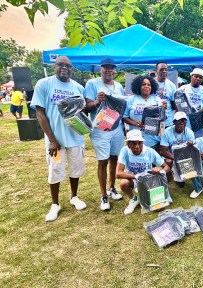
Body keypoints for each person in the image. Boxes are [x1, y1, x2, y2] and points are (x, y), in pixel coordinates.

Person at [31, 56, 87, 222]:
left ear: (72, 69)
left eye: (68, 66)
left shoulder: (78, 87)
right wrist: (52, 140)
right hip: (55, 140)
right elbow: (40, 113)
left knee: (75, 169)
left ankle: (74, 197)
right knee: (55, 171)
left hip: (75, 137)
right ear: (54, 66)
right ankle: (55, 204)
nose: (65, 68)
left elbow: (81, 112)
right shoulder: (44, 84)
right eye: (61, 65)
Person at [84, 58, 125, 211]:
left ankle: (112, 188)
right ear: (100, 69)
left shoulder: (119, 86)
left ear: (114, 70)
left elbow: (121, 107)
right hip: (100, 129)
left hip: (116, 128)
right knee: (102, 161)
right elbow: (86, 107)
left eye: (111, 68)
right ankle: (103, 195)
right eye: (105, 68)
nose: (109, 70)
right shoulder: (92, 84)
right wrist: (96, 102)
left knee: (115, 158)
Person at [116, 130, 170, 215]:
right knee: (123, 183)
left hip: (148, 181)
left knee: (159, 208)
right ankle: (133, 199)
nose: (137, 146)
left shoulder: (150, 151)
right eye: (133, 143)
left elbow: (166, 167)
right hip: (134, 179)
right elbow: (118, 173)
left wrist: (160, 171)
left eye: (139, 143)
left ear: (142, 143)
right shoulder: (124, 151)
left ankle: (144, 195)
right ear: (128, 144)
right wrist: (136, 176)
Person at [159, 111, 202, 198]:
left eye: (184, 121)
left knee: (190, 164)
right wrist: (176, 158)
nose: (181, 123)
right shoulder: (167, 132)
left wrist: (191, 146)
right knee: (168, 161)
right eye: (179, 121)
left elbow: (194, 152)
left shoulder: (189, 132)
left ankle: (198, 187)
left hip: (185, 156)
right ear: (174, 122)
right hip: (171, 156)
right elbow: (163, 151)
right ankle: (167, 178)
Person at [123, 75, 166, 151]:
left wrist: (163, 109)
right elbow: (124, 117)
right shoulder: (131, 99)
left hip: (153, 139)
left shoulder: (157, 99)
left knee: (153, 161)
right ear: (138, 86)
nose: (146, 86)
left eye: (149, 85)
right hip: (135, 138)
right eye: (143, 84)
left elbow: (162, 119)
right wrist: (135, 123)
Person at [176, 68, 203, 137]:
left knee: (198, 140)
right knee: (186, 140)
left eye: (200, 77)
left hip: (200, 120)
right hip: (186, 120)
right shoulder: (183, 88)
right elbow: (177, 103)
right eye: (196, 76)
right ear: (191, 76)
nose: (198, 79)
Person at [155, 62, 176, 129]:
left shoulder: (171, 85)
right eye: (161, 70)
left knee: (165, 138)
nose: (164, 72)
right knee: (154, 139)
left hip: (168, 121)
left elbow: (174, 104)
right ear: (156, 71)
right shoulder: (151, 83)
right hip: (154, 120)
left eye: (165, 70)